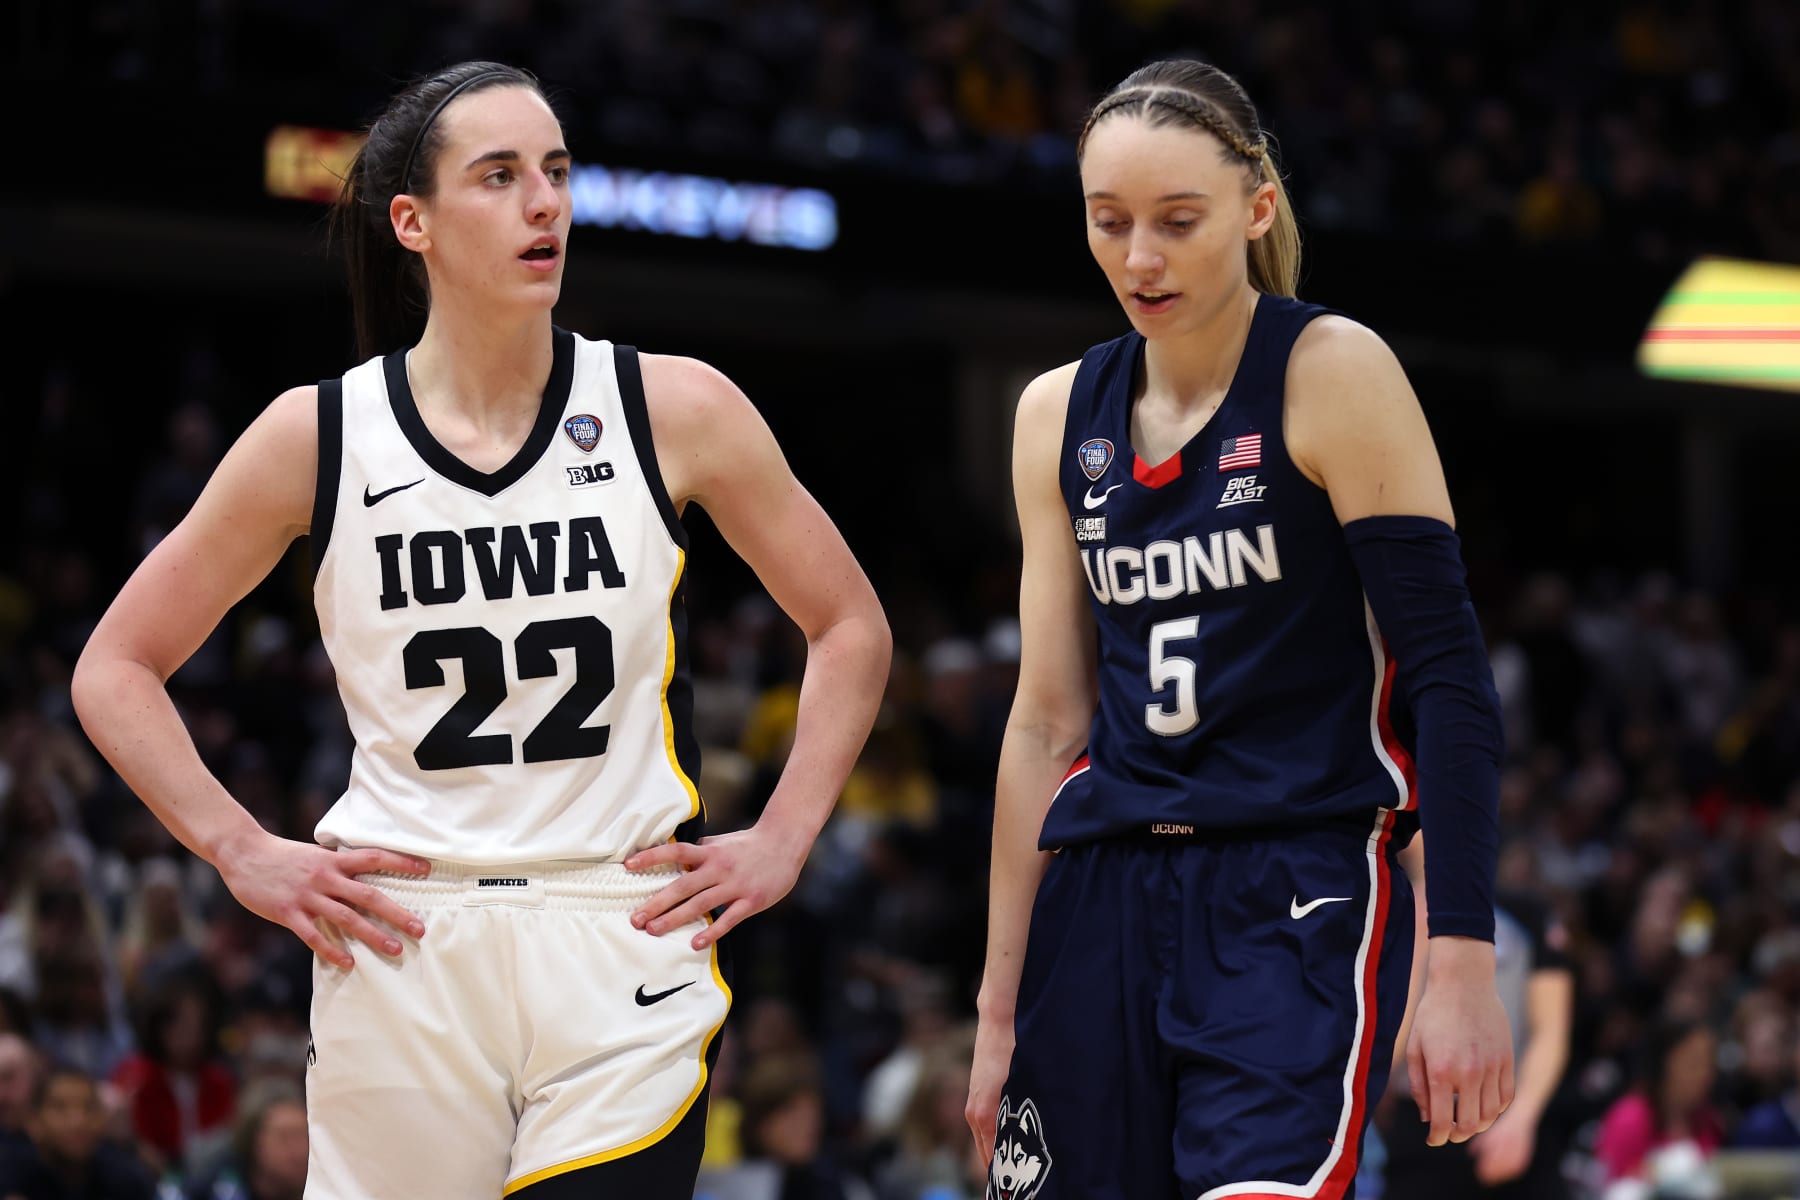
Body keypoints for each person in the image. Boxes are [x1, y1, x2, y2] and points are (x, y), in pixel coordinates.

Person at [71, 60, 890, 1200]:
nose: (544, 202)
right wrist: (239, 848)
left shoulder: (675, 406)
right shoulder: (319, 435)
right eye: (500, 176)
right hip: (403, 939)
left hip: (620, 926)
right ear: (413, 221)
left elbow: (848, 620)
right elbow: (116, 667)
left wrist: (787, 834)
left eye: (554, 172)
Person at [965, 58, 1514, 1199]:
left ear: (1256, 207)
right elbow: (1045, 723)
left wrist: (1461, 947)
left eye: (1176, 221)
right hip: (1101, 893)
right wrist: (996, 1006)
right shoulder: (1053, 414)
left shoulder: (1333, 372)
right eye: (1108, 223)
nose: (1139, 259)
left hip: (1291, 889)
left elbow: (1452, 678)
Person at [1383, 845, 1576, 1199]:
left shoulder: (1525, 913)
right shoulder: (1384, 914)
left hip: (1513, 1116)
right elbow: (1386, 1049)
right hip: (1420, 1123)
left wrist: (1521, 1119)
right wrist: (1416, 935)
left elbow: (1552, 1031)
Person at [0, 1065, 157, 1200]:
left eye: (89, 1108)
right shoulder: (10, 1173)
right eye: (60, 1108)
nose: (78, 1122)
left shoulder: (126, 1178)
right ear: (34, 1121)